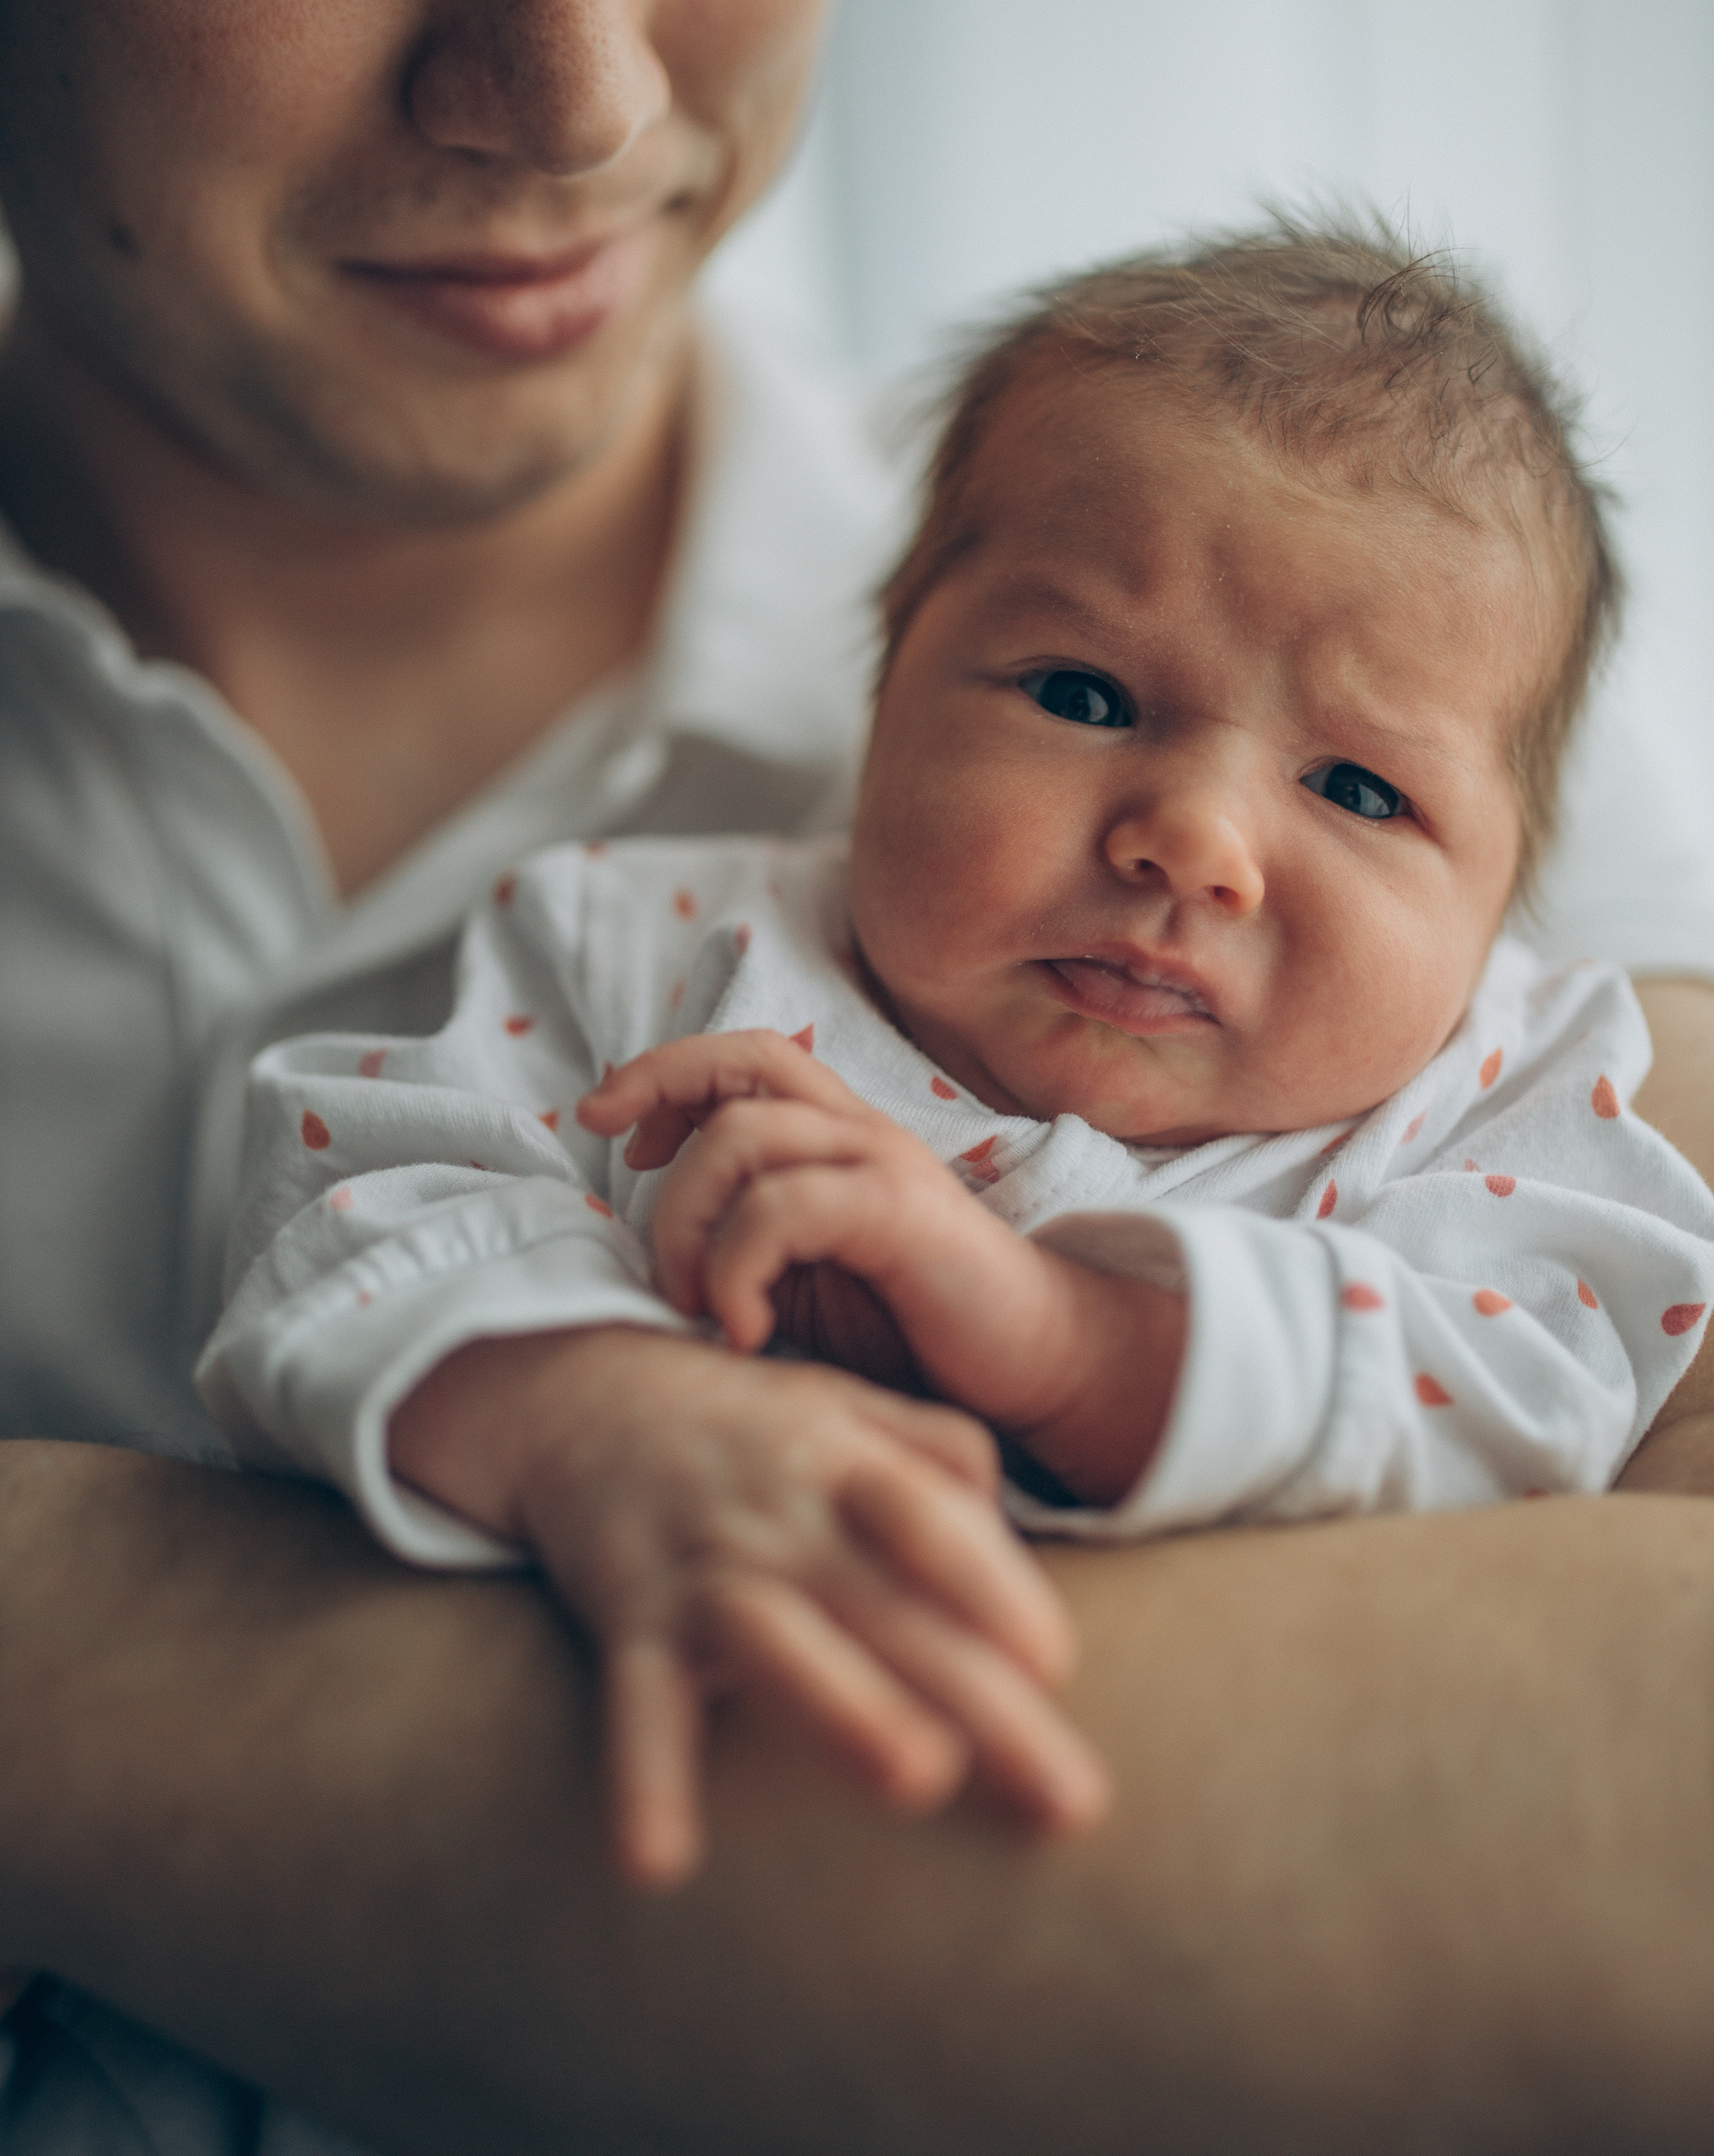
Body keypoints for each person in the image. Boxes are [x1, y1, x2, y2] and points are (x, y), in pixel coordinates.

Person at [4, 0, 1714, 2149]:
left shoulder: (1525, 1020)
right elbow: (389, 1200)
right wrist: (583, 1412)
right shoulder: (685, 938)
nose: (575, 95)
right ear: (912, 655)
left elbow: (1579, 1555)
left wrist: (1059, 1334)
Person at [203, 224, 1714, 1890]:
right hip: (550, 1860)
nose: (1192, 840)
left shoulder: (1503, 1090)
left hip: (1179, 1897)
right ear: (885, 694)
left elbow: (1531, 1400)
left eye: (1358, 791)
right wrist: (582, 1410)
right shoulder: (650, 950)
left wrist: (1075, 1340)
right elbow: (345, 1186)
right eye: (1080, 692)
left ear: (1505, 896)